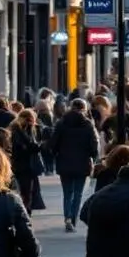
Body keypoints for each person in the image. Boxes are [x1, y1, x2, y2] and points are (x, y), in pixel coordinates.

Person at [49, 98, 100, 232]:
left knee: (67, 193)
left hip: (64, 161)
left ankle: (67, 218)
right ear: (84, 108)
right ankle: (73, 219)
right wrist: (93, 157)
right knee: (77, 193)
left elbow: (53, 143)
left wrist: (55, 154)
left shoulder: (62, 123)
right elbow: (94, 144)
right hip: (82, 162)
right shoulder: (88, 124)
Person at [9, 110, 45, 215]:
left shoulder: (16, 129)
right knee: (26, 191)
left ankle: (24, 211)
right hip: (24, 166)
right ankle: (25, 212)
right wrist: (39, 146)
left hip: (19, 165)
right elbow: (30, 146)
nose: (32, 123)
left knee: (24, 191)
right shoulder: (19, 131)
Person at [33, 93, 55, 176]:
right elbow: (51, 127)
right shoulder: (48, 115)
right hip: (47, 138)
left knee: (44, 154)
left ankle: (46, 168)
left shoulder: (36, 116)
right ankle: (50, 169)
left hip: (41, 138)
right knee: (48, 154)